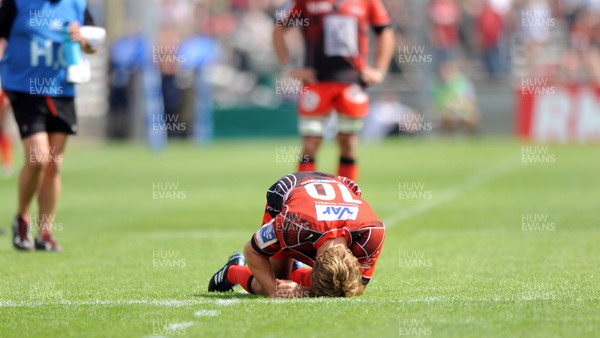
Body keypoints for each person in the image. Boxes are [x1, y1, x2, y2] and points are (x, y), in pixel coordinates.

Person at [0, 0, 97, 251]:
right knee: (38, 158)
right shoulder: (17, 3)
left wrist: (83, 40)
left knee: (53, 164)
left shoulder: (76, 5)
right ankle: (22, 219)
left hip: (61, 90)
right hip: (26, 90)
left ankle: (45, 232)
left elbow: (93, 45)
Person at [208, 172, 385, 298]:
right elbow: (252, 251)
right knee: (275, 281)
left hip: (337, 186)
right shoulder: (291, 225)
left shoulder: (372, 232)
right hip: (291, 191)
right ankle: (232, 271)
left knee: (341, 285)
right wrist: (275, 291)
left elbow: (357, 286)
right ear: (313, 261)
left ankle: (297, 270)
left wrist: (303, 291)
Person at [272, 0, 395, 181]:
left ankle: (348, 197)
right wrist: (288, 67)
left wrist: (380, 70)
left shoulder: (367, 2)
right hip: (316, 82)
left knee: (348, 142)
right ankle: (304, 196)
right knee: (311, 142)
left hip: (353, 82)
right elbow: (279, 29)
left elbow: (384, 30)